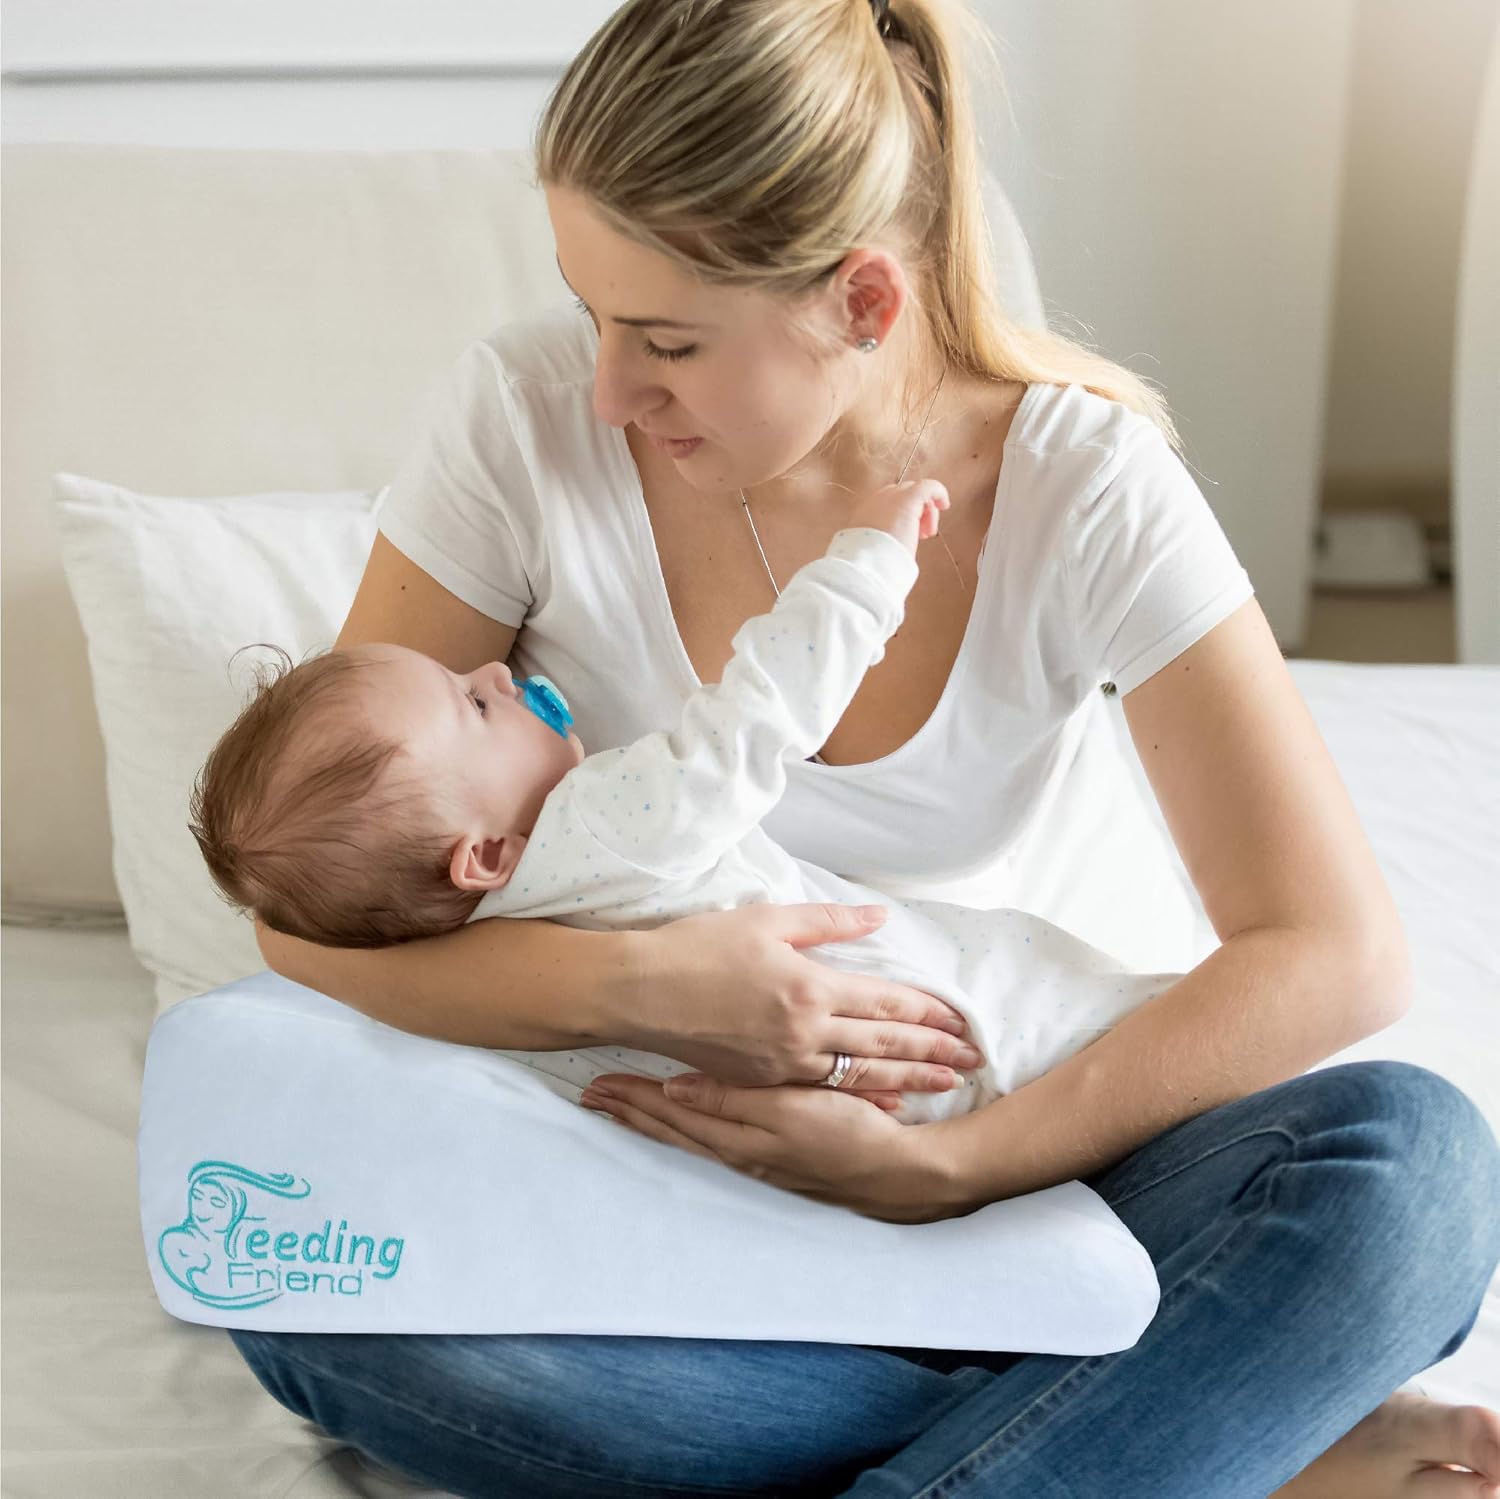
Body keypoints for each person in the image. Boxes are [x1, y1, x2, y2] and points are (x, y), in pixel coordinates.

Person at [228, 0, 1500, 1493]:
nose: (610, 389)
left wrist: (950, 1168)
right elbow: (306, 921)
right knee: (311, 1298)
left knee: (1411, 1168)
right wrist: (646, 989)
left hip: (997, 1163)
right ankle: (1180, 1429)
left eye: (669, 340)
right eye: (592, 313)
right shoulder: (523, 421)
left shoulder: (1083, 488)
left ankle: (1099, 1426)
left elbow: (1334, 950)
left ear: (866, 301)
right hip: (637, 1180)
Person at [189, 482, 1183, 1131]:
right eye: (475, 704)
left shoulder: (474, 980)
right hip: (971, 1032)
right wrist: (868, 564)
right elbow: (757, 716)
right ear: (484, 854)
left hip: (868, 1113)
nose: (494, 667)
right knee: (1145, 1026)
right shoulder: (602, 825)